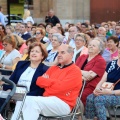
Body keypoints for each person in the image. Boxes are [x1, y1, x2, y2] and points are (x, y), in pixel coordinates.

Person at [13, 44, 82, 120]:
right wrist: (55, 83)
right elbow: (39, 81)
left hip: (64, 103)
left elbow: (60, 89)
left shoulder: (75, 71)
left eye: (62, 52)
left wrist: (48, 82)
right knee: (23, 100)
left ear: (71, 54)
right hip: (47, 100)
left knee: (33, 102)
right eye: (58, 53)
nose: (59, 55)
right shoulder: (53, 68)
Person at [85, 42, 120, 120]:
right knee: (90, 98)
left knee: (99, 100)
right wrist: (97, 88)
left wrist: (110, 92)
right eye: (119, 48)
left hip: (117, 94)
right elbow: (103, 79)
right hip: (106, 91)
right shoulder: (112, 63)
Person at [76, 39, 106, 106]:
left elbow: (89, 77)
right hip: (76, 83)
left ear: (99, 50)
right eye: (90, 45)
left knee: (78, 97)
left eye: (94, 45)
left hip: (89, 87)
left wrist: (78, 72)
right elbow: (73, 70)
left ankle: (79, 115)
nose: (91, 46)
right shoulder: (82, 57)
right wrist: (83, 73)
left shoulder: (100, 61)